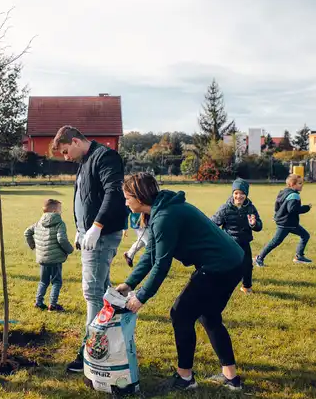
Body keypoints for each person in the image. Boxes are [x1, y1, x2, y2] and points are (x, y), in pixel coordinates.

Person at [115, 172, 245, 392]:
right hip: (231, 261)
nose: (125, 202)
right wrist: (129, 284)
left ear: (140, 196)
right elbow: (152, 253)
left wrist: (141, 297)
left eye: (127, 197)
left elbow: (162, 264)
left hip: (220, 266)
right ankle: (231, 379)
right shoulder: (160, 211)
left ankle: (185, 378)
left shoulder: (166, 216)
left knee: (181, 313)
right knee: (209, 317)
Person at [51, 126, 128, 373]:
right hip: (90, 233)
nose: (66, 157)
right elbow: (84, 197)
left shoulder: (105, 157)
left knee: (92, 293)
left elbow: (113, 192)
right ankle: (115, 339)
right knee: (103, 291)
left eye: (65, 151)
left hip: (102, 235)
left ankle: (90, 350)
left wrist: (96, 226)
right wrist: (80, 228)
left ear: (75, 141)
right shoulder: (85, 162)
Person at [211, 178, 262, 294]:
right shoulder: (225, 208)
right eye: (236, 193)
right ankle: (220, 284)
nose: (239, 196)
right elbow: (213, 224)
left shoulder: (250, 208)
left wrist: (254, 224)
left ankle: (246, 286)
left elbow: (259, 226)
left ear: (246, 194)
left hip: (244, 241)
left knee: (247, 265)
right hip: (229, 242)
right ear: (233, 193)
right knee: (227, 265)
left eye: (242, 193)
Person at [24, 199, 74, 312]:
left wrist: (33, 246)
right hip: (55, 260)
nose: (61, 212)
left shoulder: (39, 222)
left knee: (43, 281)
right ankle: (53, 305)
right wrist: (70, 249)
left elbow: (27, 232)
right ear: (54, 210)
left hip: (43, 259)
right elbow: (61, 239)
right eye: (60, 209)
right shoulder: (59, 223)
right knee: (56, 282)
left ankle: (39, 302)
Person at [255, 174, 312, 266]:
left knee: (305, 235)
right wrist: (306, 208)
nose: (302, 185)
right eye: (300, 183)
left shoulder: (284, 192)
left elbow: (277, 206)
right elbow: (292, 209)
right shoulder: (294, 195)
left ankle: (299, 256)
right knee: (275, 242)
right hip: (286, 224)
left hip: (290, 223)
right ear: (292, 185)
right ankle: (259, 258)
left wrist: (277, 215)